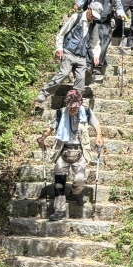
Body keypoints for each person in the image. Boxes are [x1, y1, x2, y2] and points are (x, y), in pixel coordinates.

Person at [39, 90, 104, 221]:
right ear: (67, 104)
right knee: (59, 183)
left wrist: (99, 136)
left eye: (75, 107)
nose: (73, 109)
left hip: (79, 151)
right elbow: (50, 128)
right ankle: (59, 210)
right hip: (63, 151)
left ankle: (76, 192)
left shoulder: (86, 112)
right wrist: (42, 137)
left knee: (80, 179)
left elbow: (96, 124)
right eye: (70, 107)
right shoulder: (60, 113)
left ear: (80, 104)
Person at [34, 2, 103, 108]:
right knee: (63, 74)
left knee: (81, 80)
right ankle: (44, 93)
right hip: (69, 52)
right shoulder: (76, 17)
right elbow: (62, 33)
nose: (93, 17)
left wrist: (96, 55)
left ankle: (75, 104)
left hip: (82, 56)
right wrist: (59, 48)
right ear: (88, 8)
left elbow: (95, 42)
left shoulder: (94, 25)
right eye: (92, 14)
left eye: (95, 16)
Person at [73, 0, 127, 82]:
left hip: (105, 20)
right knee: (90, 42)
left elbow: (119, 7)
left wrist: (121, 14)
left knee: (104, 43)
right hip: (92, 19)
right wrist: (75, 7)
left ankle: (98, 66)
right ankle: (88, 64)